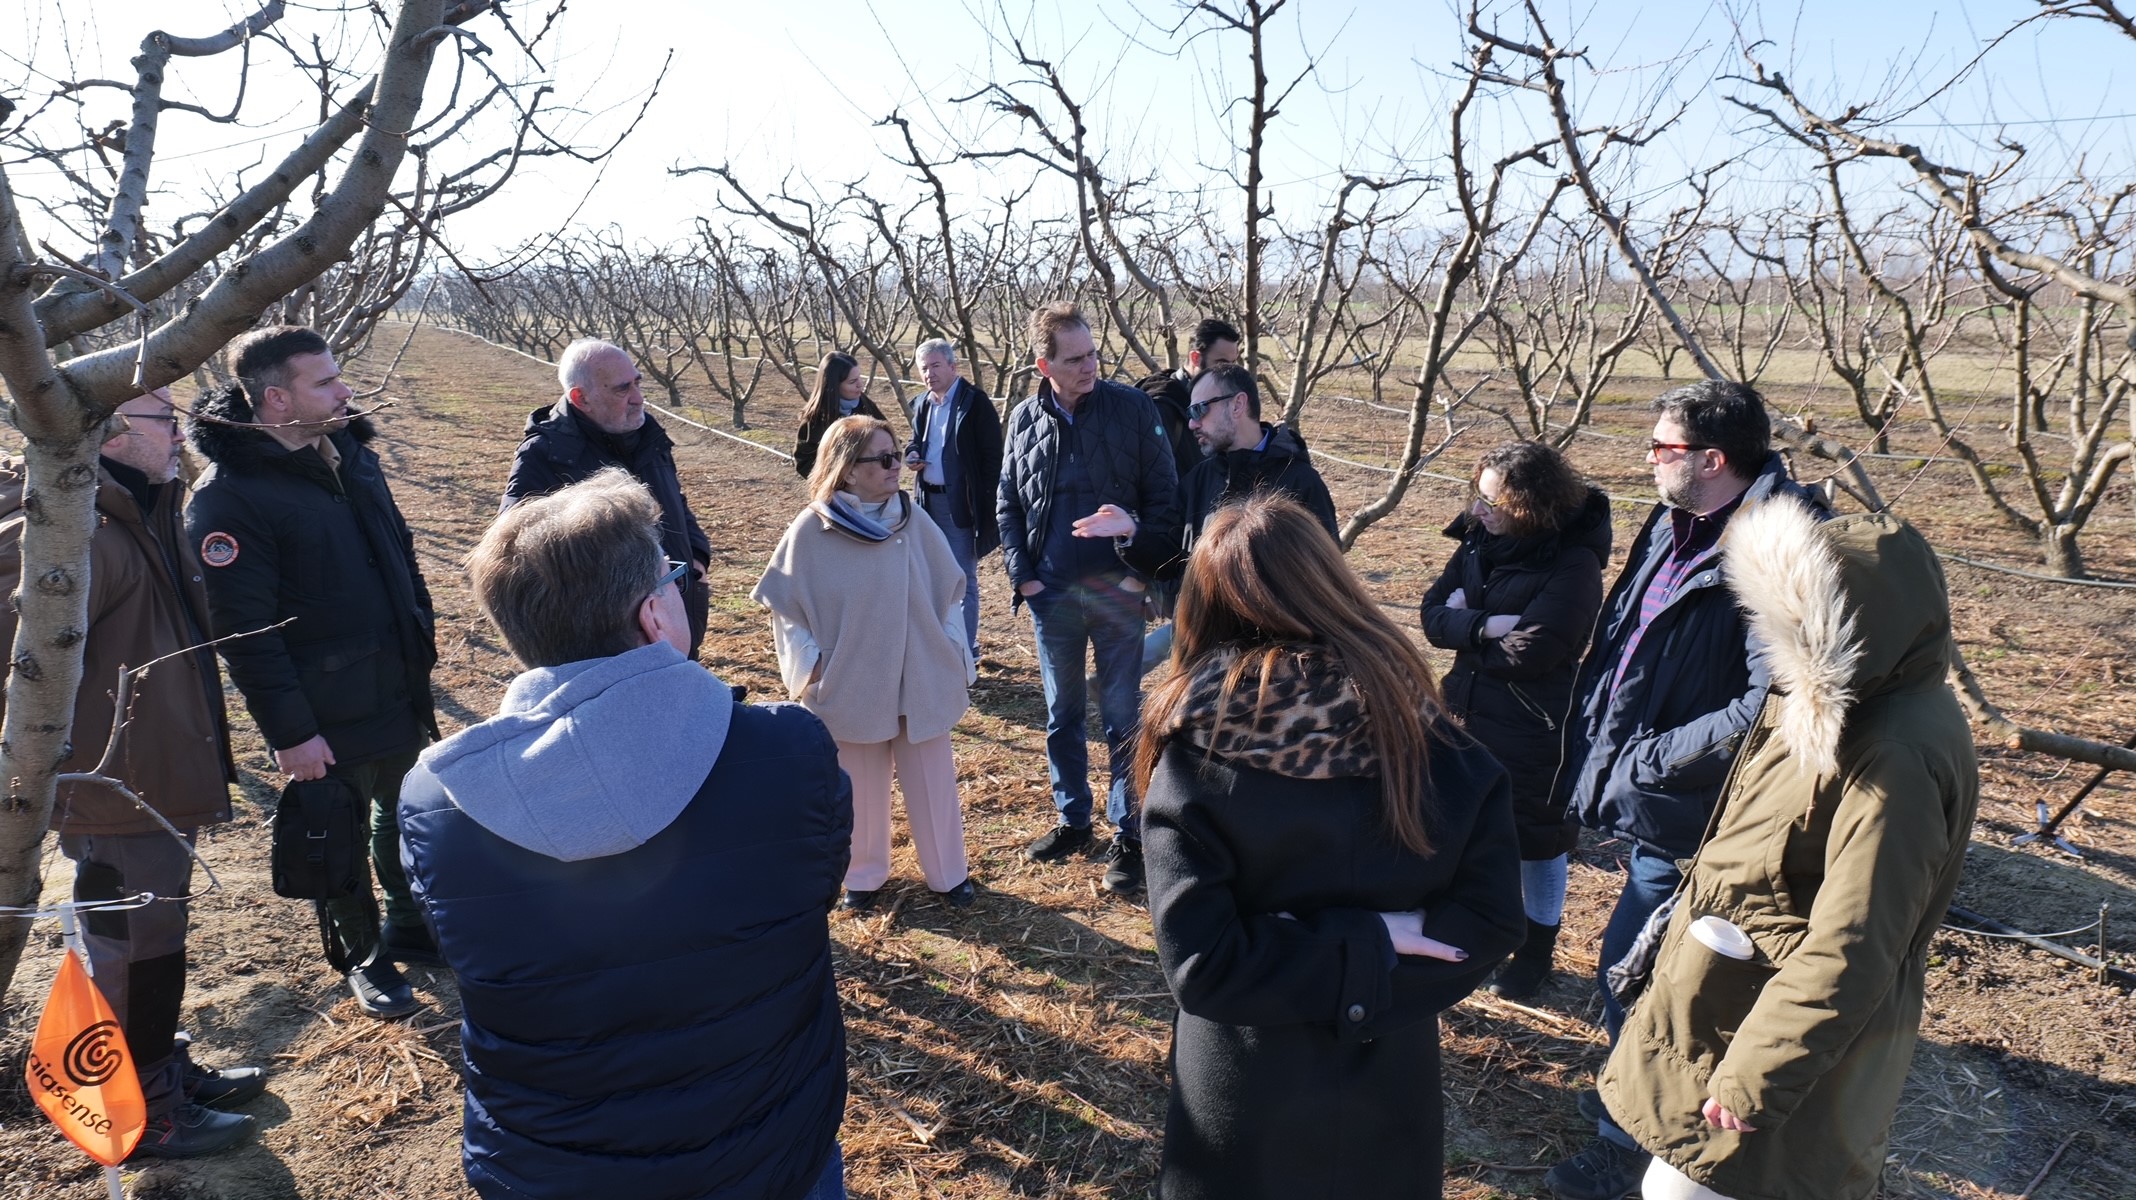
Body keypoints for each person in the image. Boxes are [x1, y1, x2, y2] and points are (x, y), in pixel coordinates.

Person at [400, 469, 851, 1200]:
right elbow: (819, 883)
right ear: (651, 616)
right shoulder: (788, 750)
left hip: (552, 1164)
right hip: (769, 1146)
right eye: (673, 577)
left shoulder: (437, 799)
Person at [1138, 494, 1524, 1200]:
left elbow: (1205, 966)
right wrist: (1375, 941)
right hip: (1389, 1072)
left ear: (1201, 609)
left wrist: (1319, 947)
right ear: (1333, 584)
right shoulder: (1435, 741)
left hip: (1241, 1086)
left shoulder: (1198, 758)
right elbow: (1492, 923)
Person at [1597, 501, 1978, 1200]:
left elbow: (1855, 943)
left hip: (1764, 1047)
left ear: (1850, 619)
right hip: (1729, 1012)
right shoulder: (1833, 701)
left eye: (1797, 614)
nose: (1773, 633)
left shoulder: (1891, 751)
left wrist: (1755, 1078)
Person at [1544, 381, 1825, 1200]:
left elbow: (1773, 704)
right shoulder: (1677, 524)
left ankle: (1632, 1146)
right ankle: (1637, 1121)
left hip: (1700, 812)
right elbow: (1630, 639)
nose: (1648, 459)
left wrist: (1645, 758)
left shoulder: (1780, 548)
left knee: (1655, 983)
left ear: (1711, 458)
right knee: (1640, 971)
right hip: (1655, 793)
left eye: (1661, 448)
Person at [0, 389, 264, 1158]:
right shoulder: (63, 531)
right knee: (129, 947)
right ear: (110, 430)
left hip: (154, 773)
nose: (180, 433)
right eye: (164, 420)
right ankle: (139, 1108)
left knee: (157, 937)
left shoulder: (142, 510)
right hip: (114, 785)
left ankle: (156, 1066)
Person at [187, 325, 441, 1021]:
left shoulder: (352, 454)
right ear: (276, 399)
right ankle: (363, 956)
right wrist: (292, 731)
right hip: (325, 705)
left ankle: (412, 926)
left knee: (405, 810)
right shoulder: (229, 498)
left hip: (396, 678)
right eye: (325, 382)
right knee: (338, 831)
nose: (345, 389)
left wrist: (420, 634)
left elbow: (402, 554)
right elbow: (245, 636)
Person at [996, 302, 1180, 894]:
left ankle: (1129, 832)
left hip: (1117, 594)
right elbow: (1008, 503)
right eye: (1074, 359)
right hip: (1053, 597)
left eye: (1094, 353)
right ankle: (1073, 819)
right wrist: (1024, 576)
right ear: (1042, 364)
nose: (1090, 367)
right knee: (1062, 715)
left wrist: (1139, 575)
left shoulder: (1132, 410)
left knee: (1124, 716)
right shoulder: (1024, 420)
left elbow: (1165, 499)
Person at [755, 416, 976, 910]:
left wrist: (953, 649)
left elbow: (949, 593)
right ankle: (863, 877)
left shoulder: (912, 519)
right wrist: (813, 669)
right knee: (859, 785)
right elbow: (786, 609)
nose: (896, 466)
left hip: (921, 670)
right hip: (851, 677)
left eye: (896, 454)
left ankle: (949, 875)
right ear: (848, 469)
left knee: (933, 778)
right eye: (882, 458)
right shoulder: (813, 529)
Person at [1419, 441, 1609, 1000]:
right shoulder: (1479, 539)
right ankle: (1467, 932)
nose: (1477, 512)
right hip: (1462, 711)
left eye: (1491, 502)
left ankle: (1535, 952)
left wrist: (1465, 621)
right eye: (1477, 498)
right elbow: (1432, 617)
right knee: (1454, 824)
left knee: (1536, 840)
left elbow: (1534, 652)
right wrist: (1484, 627)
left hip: (1534, 725)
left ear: (1527, 505)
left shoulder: (1573, 564)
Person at [502, 337, 712, 656]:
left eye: (638, 383)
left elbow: (676, 503)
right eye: (622, 389)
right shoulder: (545, 456)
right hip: (608, 648)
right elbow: (514, 555)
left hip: (673, 620)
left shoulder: (647, 435)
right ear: (580, 398)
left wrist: (696, 555)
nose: (638, 398)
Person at [1131, 363, 1339, 671]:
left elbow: (1326, 574)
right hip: (1201, 652)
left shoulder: (1300, 482)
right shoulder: (1199, 479)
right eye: (1190, 413)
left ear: (1238, 404)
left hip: (1276, 662)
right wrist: (1131, 536)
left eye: (1200, 410)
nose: (1191, 424)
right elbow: (1169, 552)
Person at [904, 338, 1004, 659]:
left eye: (935, 365)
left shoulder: (975, 403)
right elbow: (915, 440)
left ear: (952, 366)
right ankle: (939, 643)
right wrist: (913, 453)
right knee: (931, 574)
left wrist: (985, 504)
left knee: (962, 577)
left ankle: (966, 649)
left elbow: (993, 458)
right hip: (927, 503)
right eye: (924, 368)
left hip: (961, 505)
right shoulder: (922, 404)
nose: (929, 374)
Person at [1135, 317, 1244, 491]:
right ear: (1195, 358)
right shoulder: (1162, 407)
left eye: (1233, 364)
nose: (1228, 373)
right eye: (1221, 364)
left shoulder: (1223, 400)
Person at [793, 351, 887, 477]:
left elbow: (888, 438)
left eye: (860, 377)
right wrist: (838, 480)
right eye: (852, 381)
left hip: (870, 487)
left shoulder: (866, 405)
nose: (860, 385)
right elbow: (804, 462)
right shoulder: (816, 419)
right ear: (834, 386)